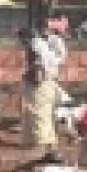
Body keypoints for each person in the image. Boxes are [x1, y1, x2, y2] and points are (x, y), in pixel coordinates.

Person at [21, 27, 64, 157]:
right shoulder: (41, 45)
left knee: (39, 115)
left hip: (40, 86)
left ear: (26, 38)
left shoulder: (34, 48)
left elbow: (38, 73)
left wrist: (27, 78)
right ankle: (51, 145)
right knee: (46, 114)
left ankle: (42, 148)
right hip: (49, 82)